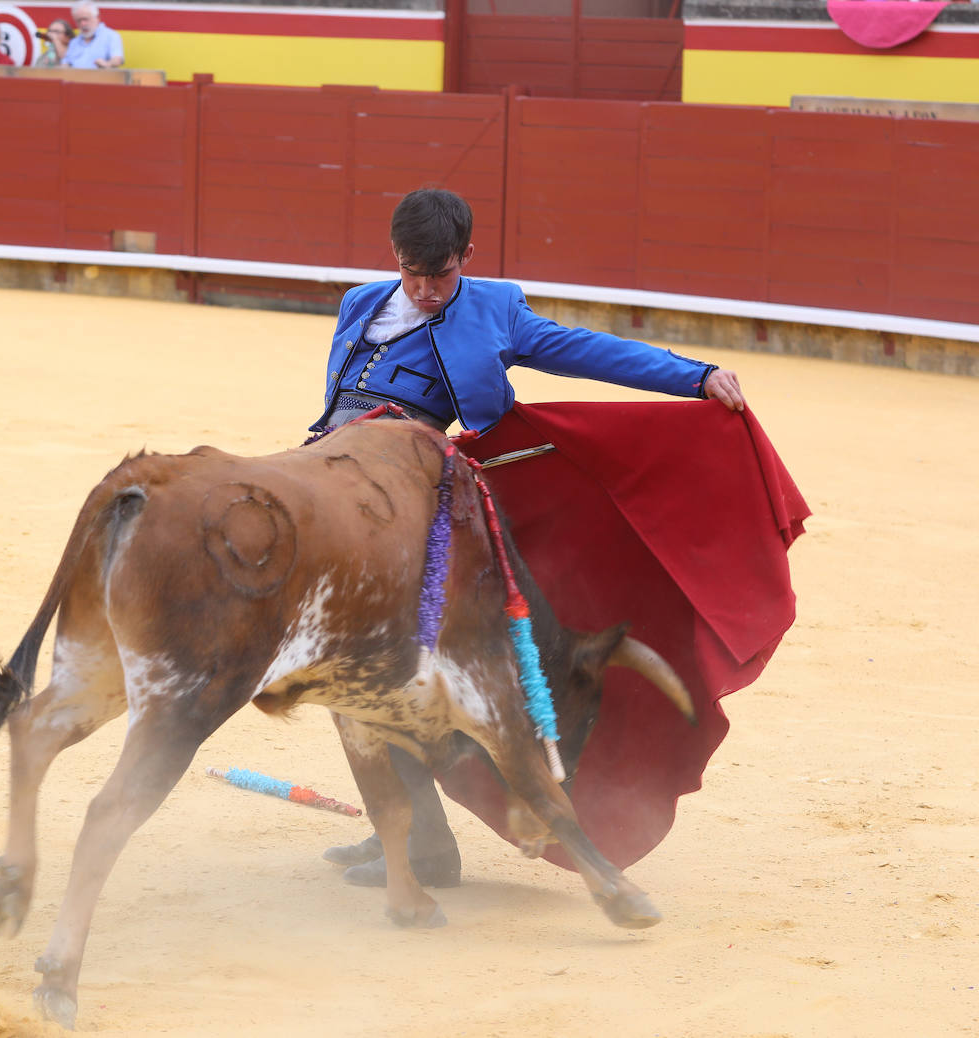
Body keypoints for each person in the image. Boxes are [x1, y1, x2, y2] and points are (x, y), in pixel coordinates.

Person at [312, 188, 745, 889]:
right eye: (410, 274)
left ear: (467, 259)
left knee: (380, 666)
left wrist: (692, 376)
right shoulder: (361, 301)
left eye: (440, 275)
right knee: (353, 669)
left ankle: (420, 843)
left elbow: (587, 352)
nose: (424, 291)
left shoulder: (495, 308)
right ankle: (399, 825)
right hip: (337, 472)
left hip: (414, 489)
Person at [63, 0, 125, 70]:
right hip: (74, 79)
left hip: (99, 79)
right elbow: (65, 64)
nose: (82, 24)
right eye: (78, 21)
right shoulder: (74, 42)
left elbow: (118, 59)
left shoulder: (111, 36)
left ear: (97, 18)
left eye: (85, 19)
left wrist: (107, 64)